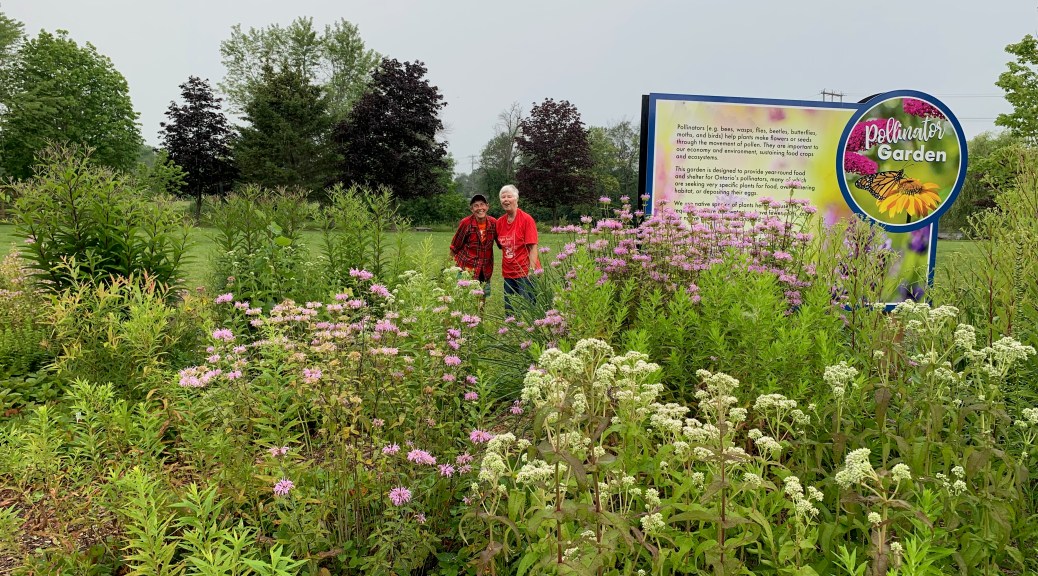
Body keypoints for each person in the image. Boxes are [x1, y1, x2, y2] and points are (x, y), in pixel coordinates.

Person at [495, 184, 540, 312]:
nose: (506, 199)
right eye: (503, 197)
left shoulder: (526, 219)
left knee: (528, 309)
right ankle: (510, 331)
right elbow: (502, 245)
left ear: (516, 199)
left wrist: (531, 271)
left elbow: (533, 247)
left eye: (509, 196)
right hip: (508, 273)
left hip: (525, 272)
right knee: (510, 310)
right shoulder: (500, 222)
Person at [449, 194, 497, 305]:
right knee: (463, 298)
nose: (480, 208)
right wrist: (448, 267)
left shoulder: (494, 223)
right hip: (466, 267)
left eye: (482, 205)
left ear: (487, 206)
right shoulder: (466, 223)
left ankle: (479, 321)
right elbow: (455, 246)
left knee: (481, 298)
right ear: (472, 209)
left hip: (485, 268)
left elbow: (502, 242)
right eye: (476, 206)